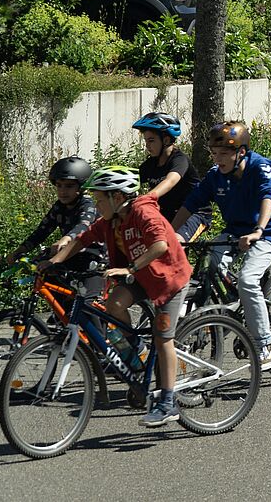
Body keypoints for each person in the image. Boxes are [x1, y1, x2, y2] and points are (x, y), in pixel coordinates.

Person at [42, 166, 191, 428]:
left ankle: (168, 402)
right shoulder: (110, 221)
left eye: (100, 199)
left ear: (118, 198)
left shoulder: (143, 212)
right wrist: (54, 261)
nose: (96, 205)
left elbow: (160, 245)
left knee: (163, 337)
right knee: (114, 305)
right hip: (144, 277)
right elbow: (80, 240)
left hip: (169, 279)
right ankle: (137, 351)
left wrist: (130, 268)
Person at [171, 122, 271, 370]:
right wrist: (171, 234)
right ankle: (234, 306)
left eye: (223, 154)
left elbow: (268, 195)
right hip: (234, 232)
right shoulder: (215, 176)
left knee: (247, 279)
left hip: (266, 233)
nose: (217, 159)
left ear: (241, 153)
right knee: (210, 265)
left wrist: (258, 230)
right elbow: (191, 204)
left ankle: (267, 345)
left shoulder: (259, 167)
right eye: (214, 153)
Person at [3, 156, 107, 298]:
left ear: (81, 187)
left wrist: (65, 239)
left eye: (69, 186)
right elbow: (41, 232)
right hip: (71, 254)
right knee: (44, 270)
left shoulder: (87, 204)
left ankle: (89, 316)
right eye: (59, 185)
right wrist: (19, 251)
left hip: (94, 256)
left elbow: (83, 226)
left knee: (88, 301)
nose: (63, 191)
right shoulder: (59, 207)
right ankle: (62, 312)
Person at [132, 112, 201, 231]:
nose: (147, 145)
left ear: (166, 140)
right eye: (146, 141)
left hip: (194, 213)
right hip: (167, 213)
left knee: (175, 241)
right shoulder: (151, 163)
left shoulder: (179, 160)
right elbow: (131, 179)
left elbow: (170, 181)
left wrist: (148, 197)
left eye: (151, 140)